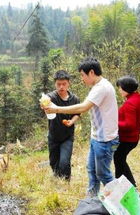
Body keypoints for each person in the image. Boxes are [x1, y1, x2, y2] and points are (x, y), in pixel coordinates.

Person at [44, 57, 119, 196]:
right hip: (97, 137)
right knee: (91, 170)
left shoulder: (101, 88)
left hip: (105, 139)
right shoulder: (98, 86)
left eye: (82, 75)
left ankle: (124, 201)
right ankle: (91, 199)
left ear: (91, 72)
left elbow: (83, 107)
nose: (82, 79)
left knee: (103, 174)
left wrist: (57, 109)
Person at [114, 76, 140, 187]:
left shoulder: (130, 103)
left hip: (127, 138)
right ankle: (128, 184)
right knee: (120, 159)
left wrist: (114, 124)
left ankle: (124, 185)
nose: (119, 90)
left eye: (120, 88)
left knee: (119, 159)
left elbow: (129, 125)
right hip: (134, 137)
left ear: (126, 88)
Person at [45, 70, 80, 181]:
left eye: (64, 84)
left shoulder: (74, 99)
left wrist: (72, 121)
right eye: (58, 84)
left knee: (64, 162)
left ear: (68, 83)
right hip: (53, 135)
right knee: (53, 162)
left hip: (67, 136)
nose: (61, 87)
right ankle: (57, 180)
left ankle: (66, 182)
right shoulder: (51, 97)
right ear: (55, 84)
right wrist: (44, 104)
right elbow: (45, 102)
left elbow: (77, 113)